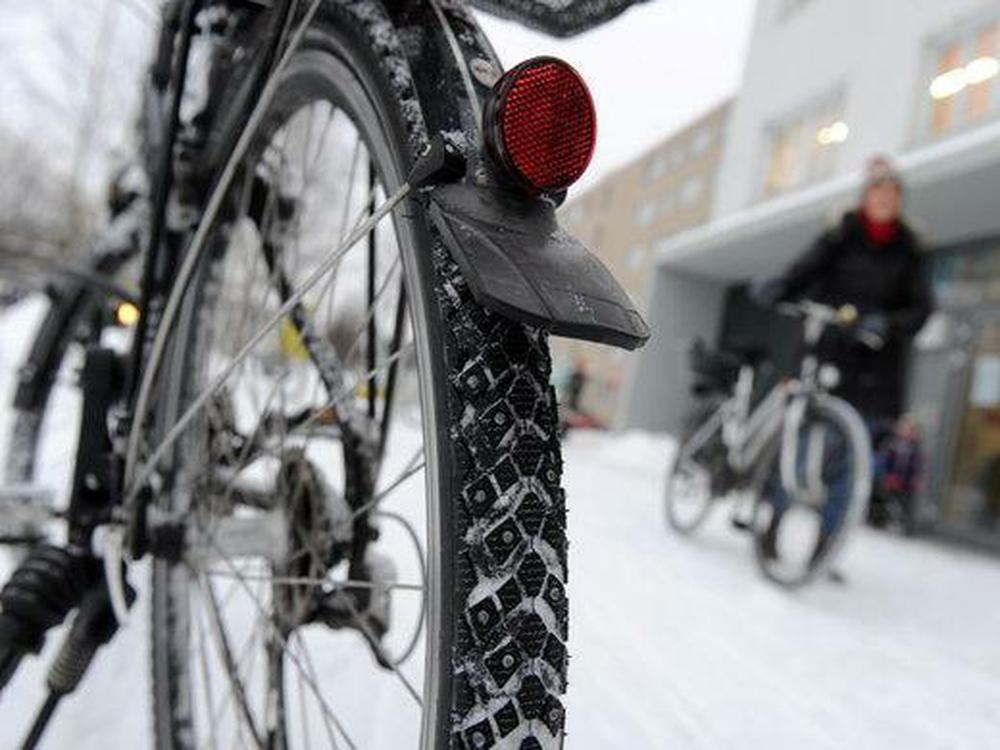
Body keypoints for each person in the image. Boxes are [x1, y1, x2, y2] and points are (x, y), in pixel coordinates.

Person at [757, 155, 933, 562]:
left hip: (877, 373)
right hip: (829, 354)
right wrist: (779, 287)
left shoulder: (910, 249)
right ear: (866, 195)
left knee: (849, 467)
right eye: (878, 191)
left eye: (893, 193)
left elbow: (921, 309)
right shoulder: (842, 234)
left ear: (899, 200)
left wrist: (887, 323)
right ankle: (773, 526)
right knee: (802, 444)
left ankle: (825, 545)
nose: (885, 199)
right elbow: (804, 270)